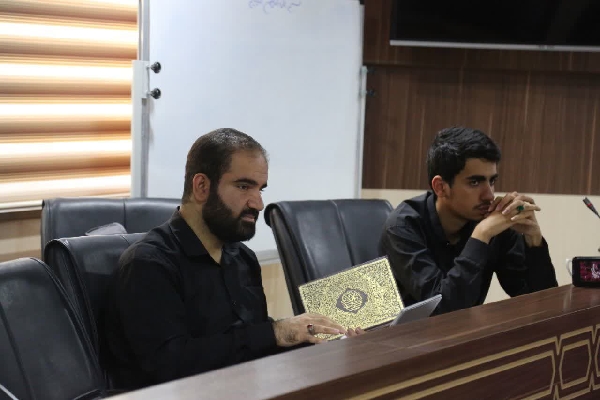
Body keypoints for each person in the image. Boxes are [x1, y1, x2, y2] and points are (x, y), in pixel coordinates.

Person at [104, 128, 363, 390]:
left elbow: (252, 347)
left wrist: (321, 341)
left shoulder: (242, 258)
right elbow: (171, 365)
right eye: (243, 187)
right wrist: (275, 332)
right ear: (202, 187)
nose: (258, 203)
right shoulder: (148, 264)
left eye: (260, 189)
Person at [378, 126, 558, 315]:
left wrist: (534, 242)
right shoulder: (402, 227)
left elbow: (541, 305)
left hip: (466, 332)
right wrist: (481, 236)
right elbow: (442, 311)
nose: (489, 195)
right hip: (404, 333)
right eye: (474, 182)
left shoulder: (493, 224)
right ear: (440, 187)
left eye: (492, 181)